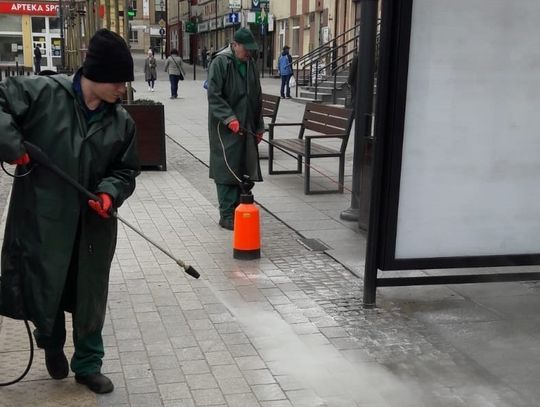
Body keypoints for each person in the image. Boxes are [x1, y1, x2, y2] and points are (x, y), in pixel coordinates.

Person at [0, 29, 139, 394]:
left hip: (93, 225)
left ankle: (89, 364)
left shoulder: (121, 121)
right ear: (97, 74)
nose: (123, 89)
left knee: (89, 292)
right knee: (48, 285)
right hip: (44, 216)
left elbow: (126, 171)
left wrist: (109, 194)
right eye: (119, 81)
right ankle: (50, 340)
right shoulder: (43, 94)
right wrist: (12, 145)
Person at [207, 28, 264, 231]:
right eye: (246, 49)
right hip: (224, 127)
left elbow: (257, 96)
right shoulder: (221, 62)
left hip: (246, 124)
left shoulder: (250, 65)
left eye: (251, 50)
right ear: (235, 45)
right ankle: (226, 214)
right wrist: (229, 117)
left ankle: (239, 208)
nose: (249, 54)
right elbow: (214, 95)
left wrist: (259, 126)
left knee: (243, 165)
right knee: (226, 167)